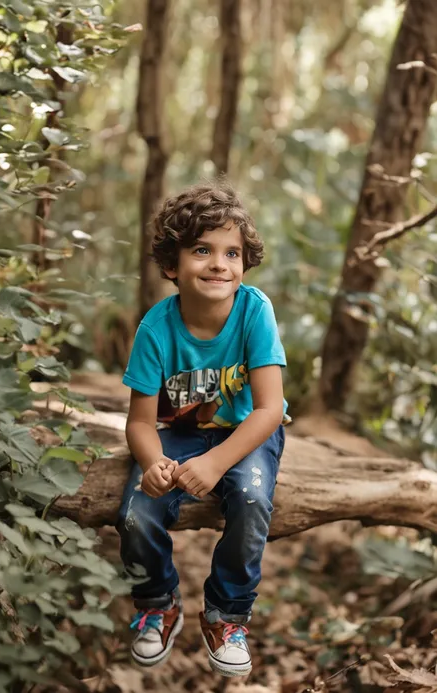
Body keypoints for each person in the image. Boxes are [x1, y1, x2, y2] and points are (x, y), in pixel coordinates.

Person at [116, 181, 288, 678]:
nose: (219, 263)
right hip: (177, 433)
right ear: (173, 265)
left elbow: (269, 410)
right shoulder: (156, 329)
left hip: (247, 430)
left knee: (253, 498)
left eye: (231, 252)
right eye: (202, 250)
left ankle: (227, 615)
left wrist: (216, 463)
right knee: (135, 513)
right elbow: (140, 422)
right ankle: (158, 602)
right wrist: (152, 464)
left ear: (244, 262)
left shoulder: (255, 311)